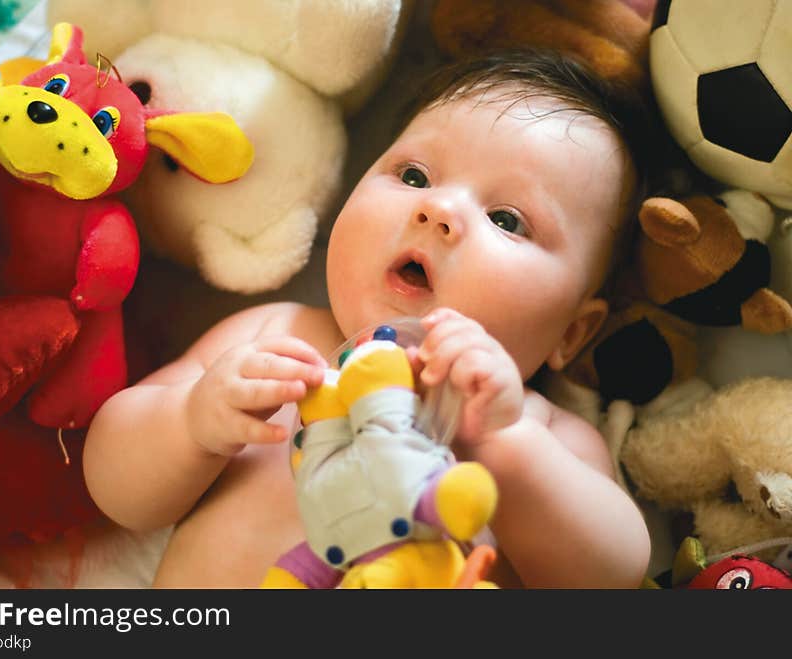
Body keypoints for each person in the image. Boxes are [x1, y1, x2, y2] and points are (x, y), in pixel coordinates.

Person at [83, 49, 655, 588]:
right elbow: (115, 490)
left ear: (572, 332)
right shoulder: (270, 341)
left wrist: (507, 445)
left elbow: (611, 576)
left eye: (506, 219)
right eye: (413, 176)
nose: (437, 209)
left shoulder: (543, 435)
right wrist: (192, 422)